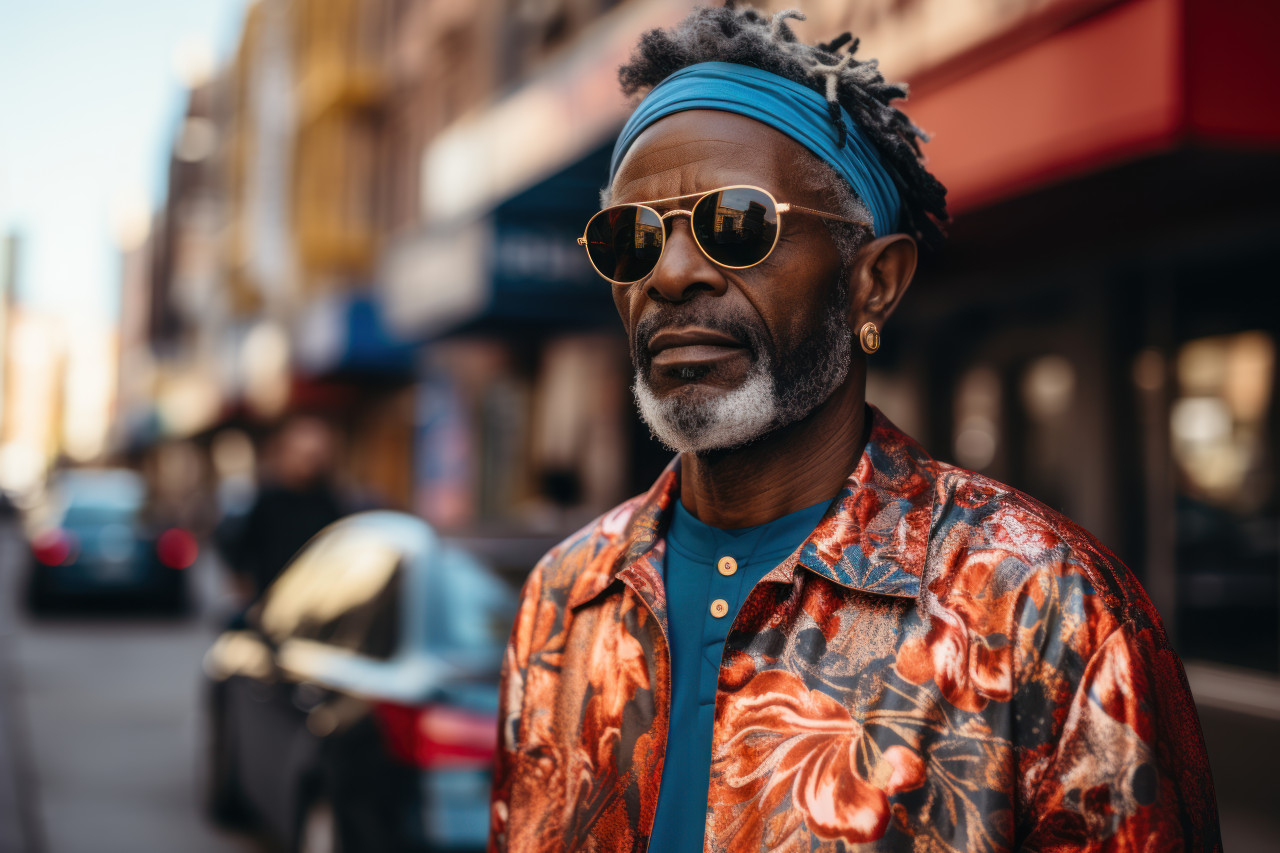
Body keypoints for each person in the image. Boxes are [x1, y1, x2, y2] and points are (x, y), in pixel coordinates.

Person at [489, 5, 1221, 851]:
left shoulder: (1043, 607)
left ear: (874, 283)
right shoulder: (563, 596)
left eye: (736, 223)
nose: (674, 273)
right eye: (633, 237)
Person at [223, 415, 345, 603]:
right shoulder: (268, 501)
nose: (308, 463)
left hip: (317, 601)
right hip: (273, 602)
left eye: (314, 455)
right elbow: (241, 551)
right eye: (302, 454)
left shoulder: (331, 502)